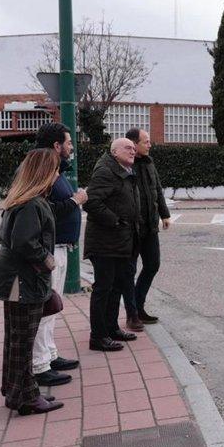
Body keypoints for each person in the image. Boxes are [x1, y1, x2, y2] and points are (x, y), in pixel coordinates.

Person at [0, 149, 65, 415]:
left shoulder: (22, 199)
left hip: (14, 278)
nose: (58, 175)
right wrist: (47, 259)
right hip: (23, 280)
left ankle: (15, 391)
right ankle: (26, 396)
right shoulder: (32, 203)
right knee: (22, 341)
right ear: (44, 171)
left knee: (15, 339)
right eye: (55, 169)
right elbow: (24, 242)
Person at [31, 122, 88, 387]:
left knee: (52, 307)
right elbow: (44, 211)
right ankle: (40, 365)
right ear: (56, 146)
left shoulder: (54, 170)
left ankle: (50, 355)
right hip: (49, 251)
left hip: (59, 247)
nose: (71, 146)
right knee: (45, 308)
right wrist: (75, 201)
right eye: (68, 142)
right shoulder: (42, 172)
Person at [83, 138, 142, 352]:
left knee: (116, 287)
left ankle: (111, 328)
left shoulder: (123, 170)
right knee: (103, 289)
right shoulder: (105, 170)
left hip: (120, 241)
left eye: (134, 149)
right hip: (105, 242)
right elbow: (91, 201)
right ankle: (97, 336)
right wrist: (115, 220)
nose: (133, 151)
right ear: (114, 151)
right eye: (128, 148)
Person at [121, 128, 171, 331]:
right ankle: (132, 314)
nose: (150, 145)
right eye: (146, 141)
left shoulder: (149, 163)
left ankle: (138, 306)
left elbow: (157, 189)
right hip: (133, 228)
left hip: (150, 226)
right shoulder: (126, 165)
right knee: (129, 270)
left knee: (152, 264)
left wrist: (164, 214)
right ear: (134, 144)